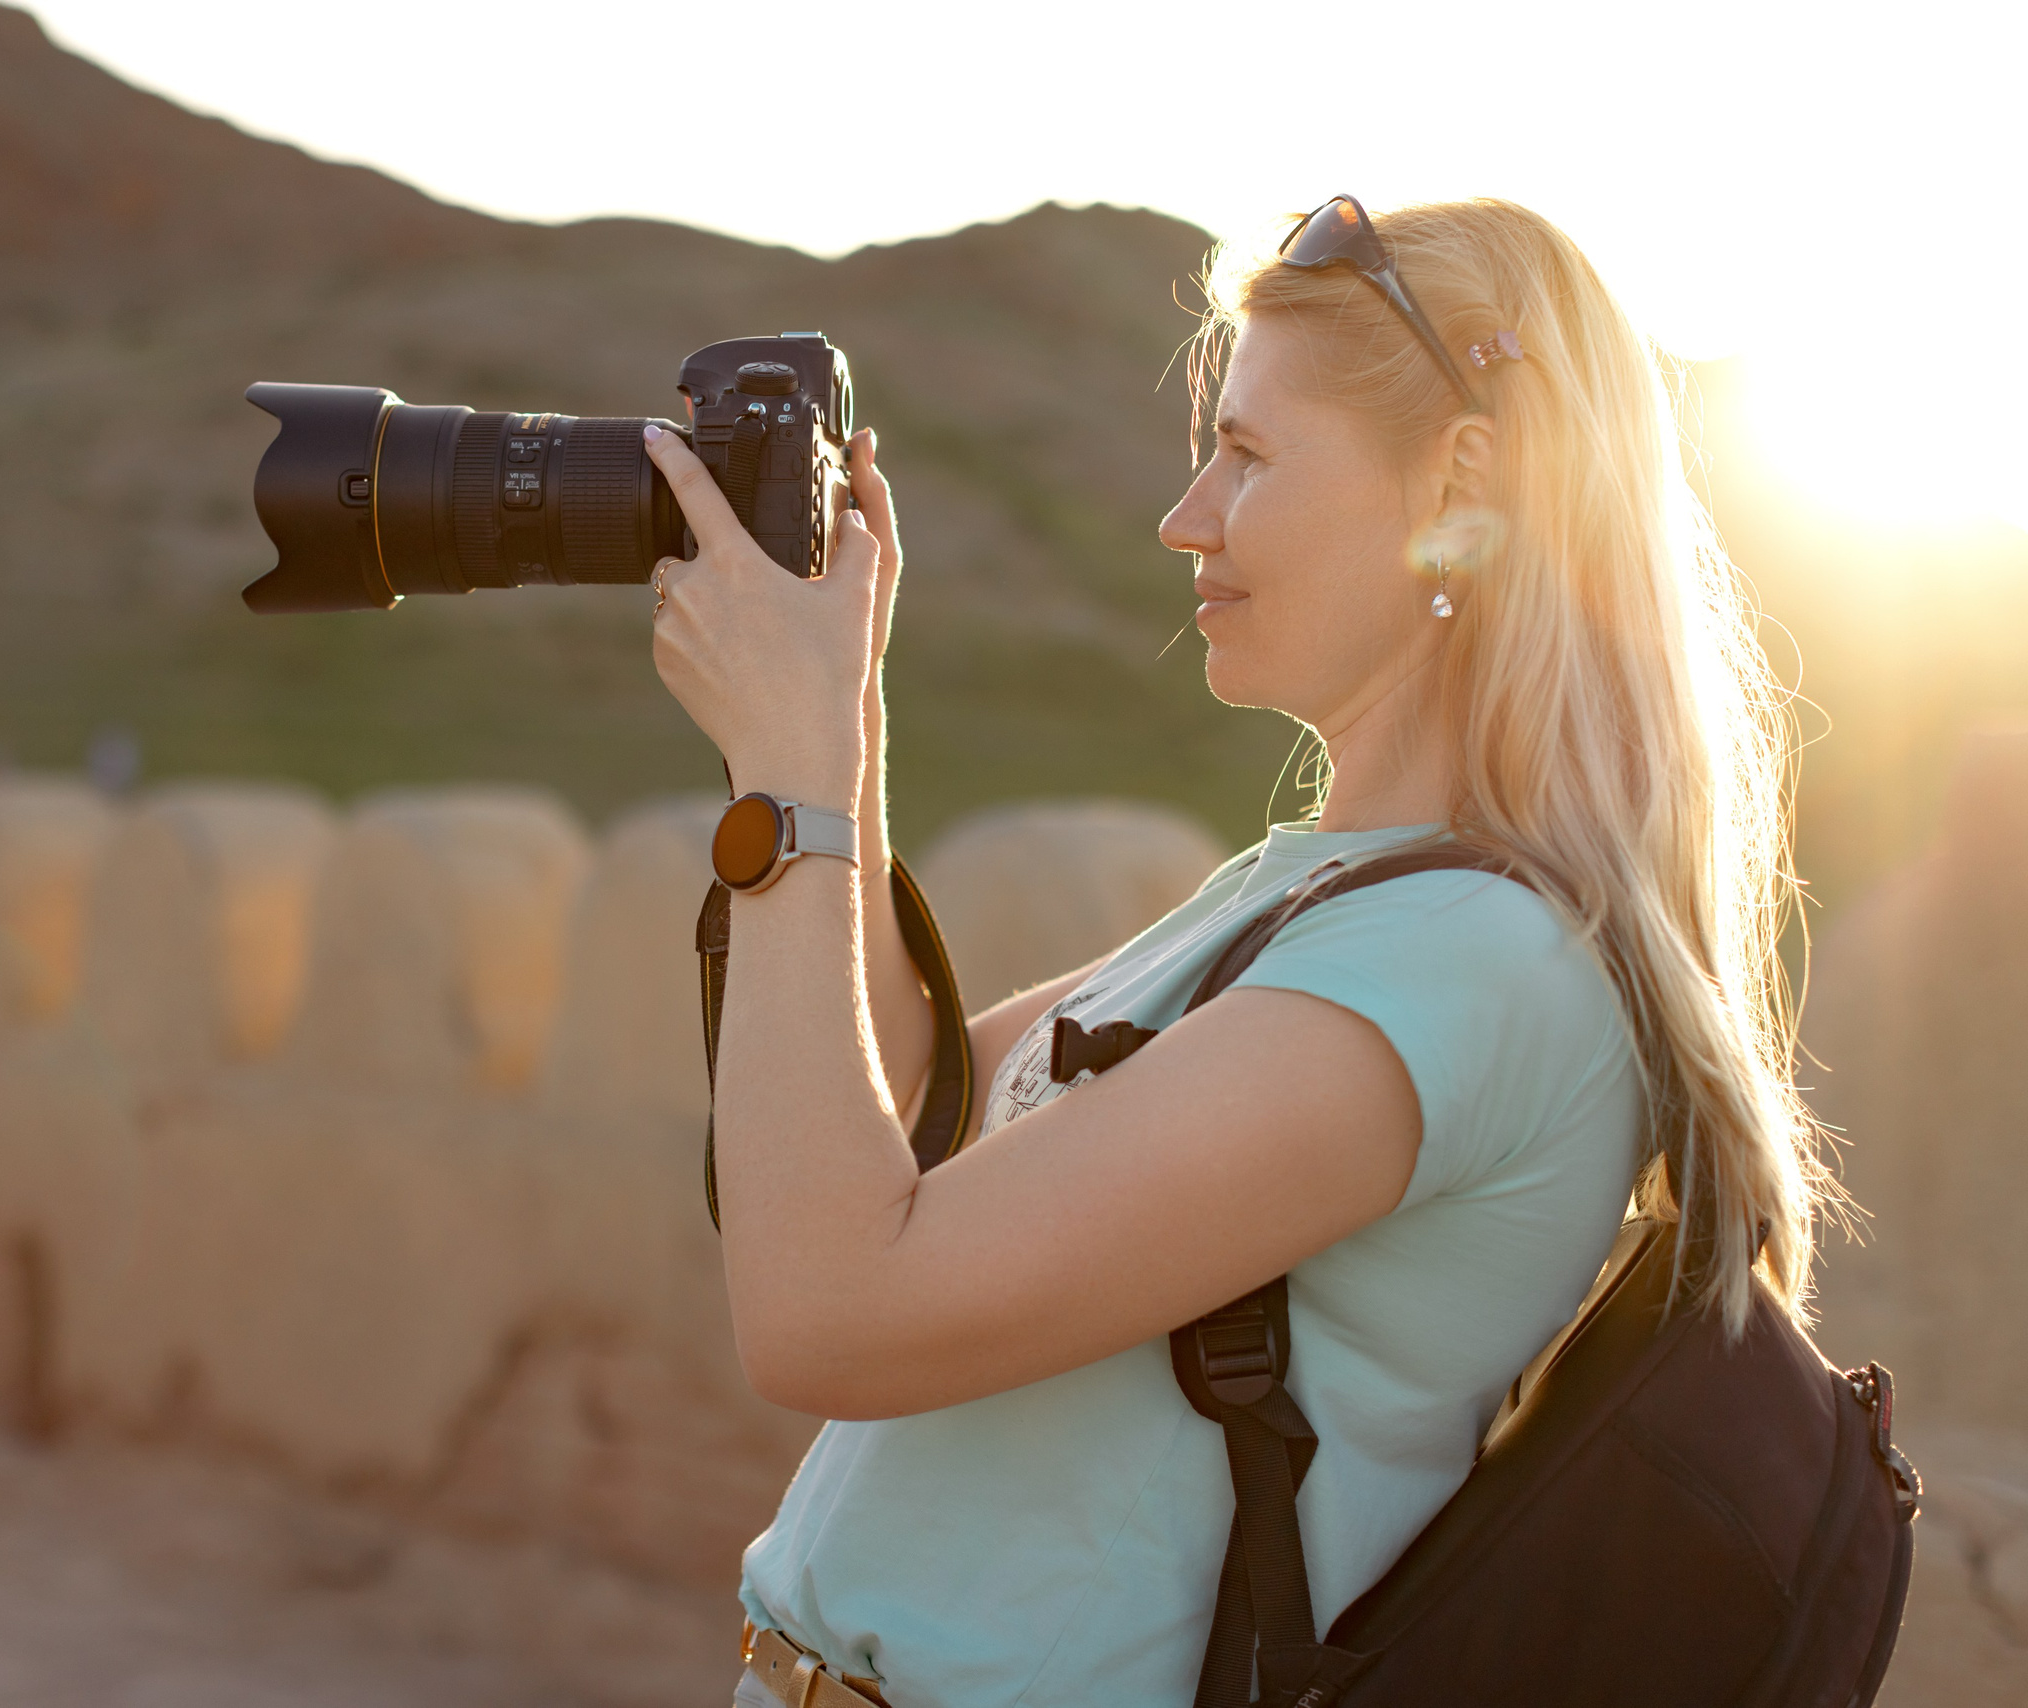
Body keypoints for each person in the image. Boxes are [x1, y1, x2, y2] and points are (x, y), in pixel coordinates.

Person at [640, 195, 1837, 1708]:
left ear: (1458, 483)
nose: (1184, 515)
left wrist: (790, 767)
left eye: (1250, 456)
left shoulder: (1471, 965)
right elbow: (929, 1108)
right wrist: (838, 710)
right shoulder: (1332, 899)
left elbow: (829, 1312)